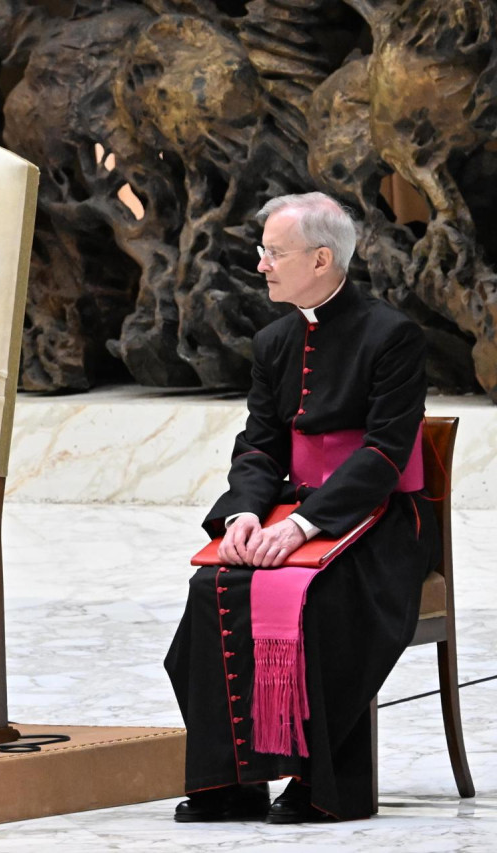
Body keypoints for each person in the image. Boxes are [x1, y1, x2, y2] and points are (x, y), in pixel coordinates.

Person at [165, 192, 439, 823]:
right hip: (293, 510)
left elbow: (384, 453)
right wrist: (243, 517)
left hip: (383, 517)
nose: (260, 264)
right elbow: (260, 445)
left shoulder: (393, 335)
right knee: (213, 589)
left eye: (273, 252)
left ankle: (322, 785)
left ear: (321, 259)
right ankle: (233, 782)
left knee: (321, 599)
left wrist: (302, 525)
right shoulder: (274, 340)